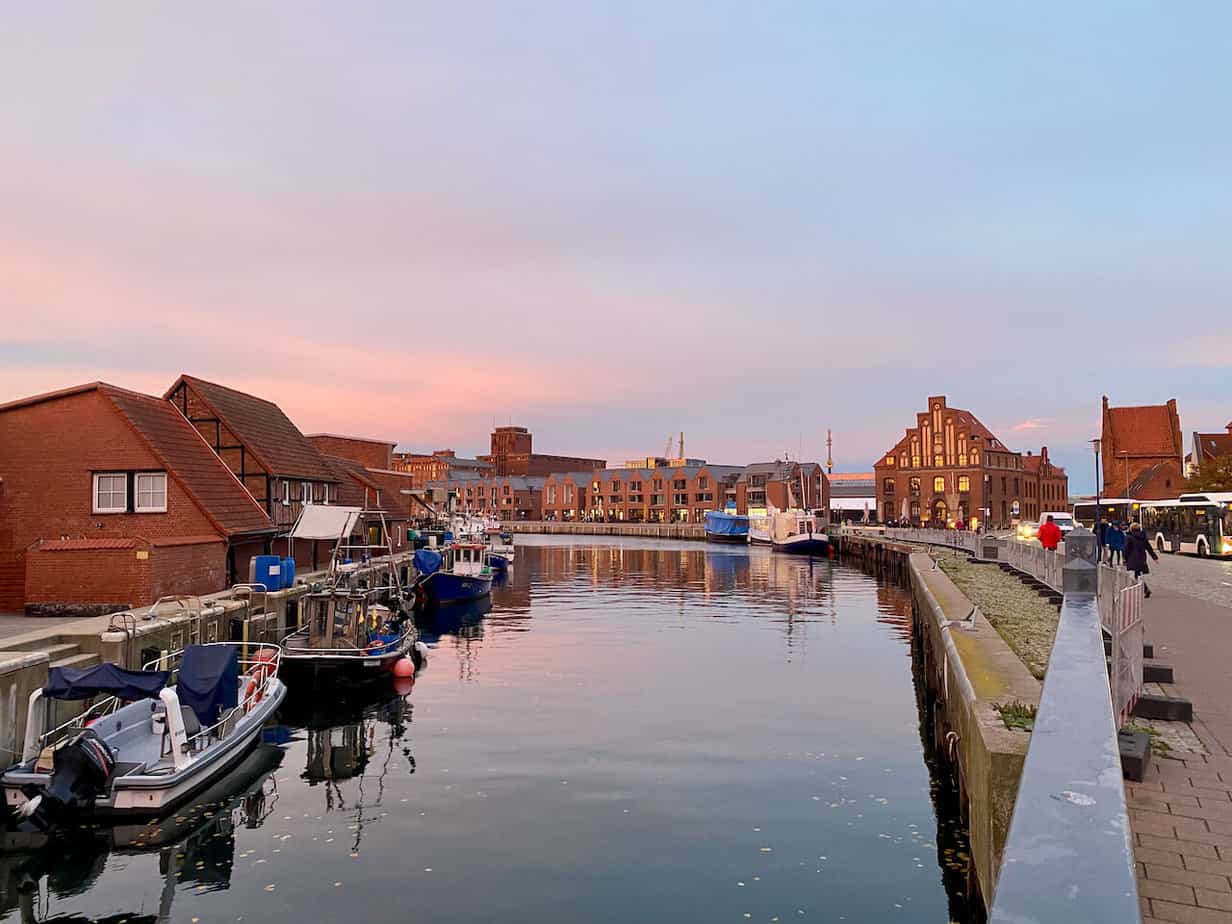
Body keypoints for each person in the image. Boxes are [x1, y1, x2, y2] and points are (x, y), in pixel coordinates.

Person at [1124, 522, 1158, 598]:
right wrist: (1155, 557)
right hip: (1141, 558)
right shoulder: (1143, 537)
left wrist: (1125, 558)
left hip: (1132, 559)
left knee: (1134, 576)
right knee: (1138, 574)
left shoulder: (1129, 537)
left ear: (1131, 529)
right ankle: (1144, 589)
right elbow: (1149, 548)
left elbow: (1126, 549)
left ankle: (1144, 589)